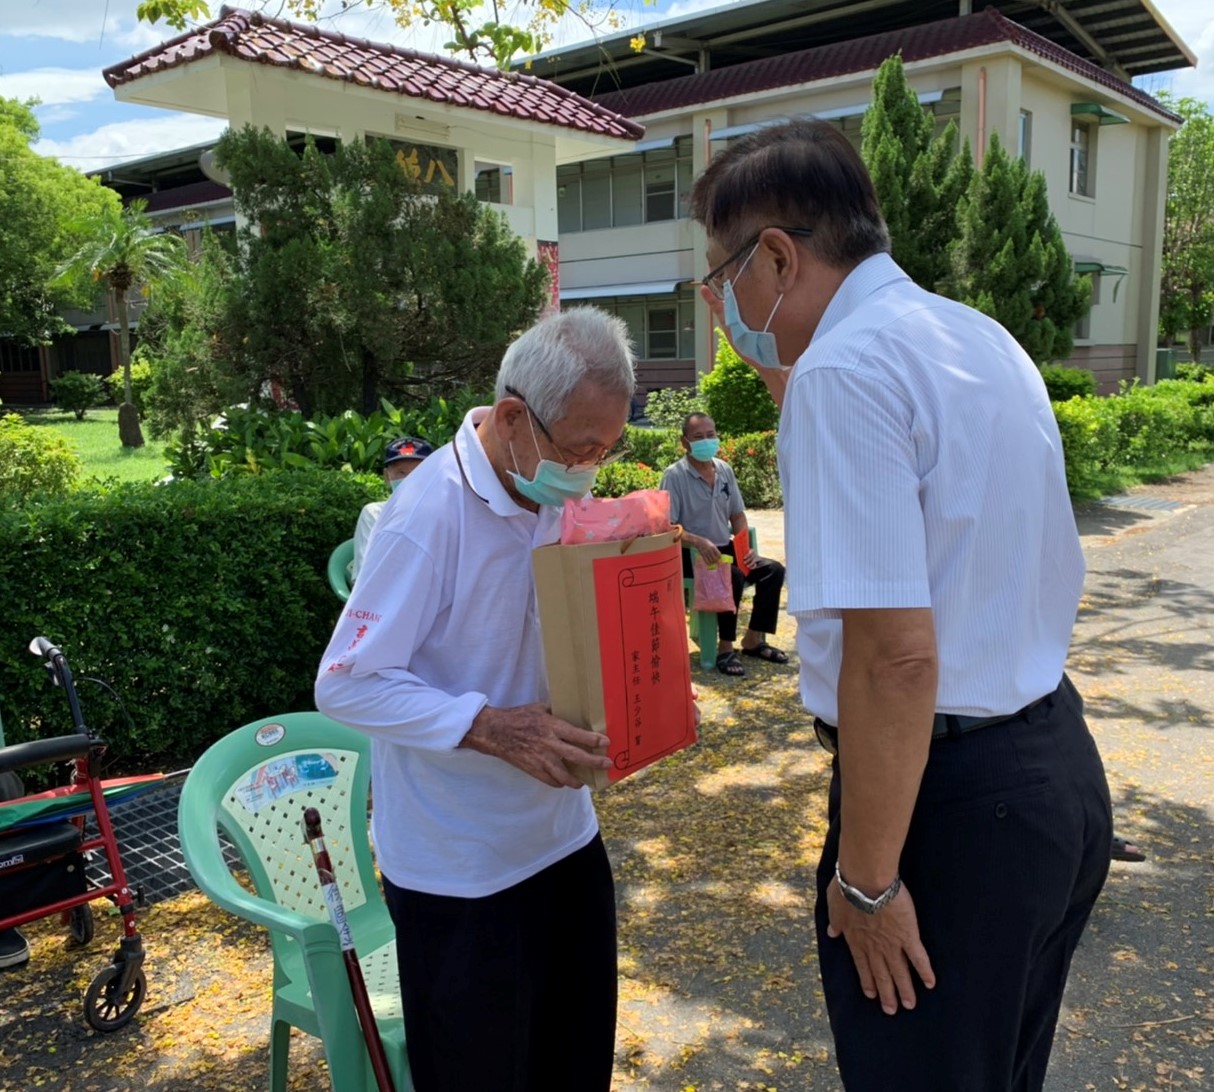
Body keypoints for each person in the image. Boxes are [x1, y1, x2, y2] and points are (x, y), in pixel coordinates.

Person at [689, 119, 1112, 1091]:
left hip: (949, 808)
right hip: (1048, 765)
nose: (720, 308)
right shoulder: (969, 337)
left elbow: (893, 660)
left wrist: (867, 883)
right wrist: (793, 381)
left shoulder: (844, 376)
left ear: (778, 258)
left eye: (719, 281)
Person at [314, 308, 636, 1092]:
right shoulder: (425, 516)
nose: (591, 468)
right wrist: (488, 726)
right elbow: (346, 681)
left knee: (574, 1061)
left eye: (609, 450)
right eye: (581, 448)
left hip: (562, 841)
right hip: (461, 871)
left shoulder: (551, 493)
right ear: (515, 417)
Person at [660, 412, 788, 676]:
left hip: (725, 550)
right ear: (685, 442)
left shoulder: (724, 470)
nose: (706, 441)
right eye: (698, 437)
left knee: (773, 571)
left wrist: (746, 547)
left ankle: (753, 639)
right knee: (733, 576)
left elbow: (737, 515)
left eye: (711, 435)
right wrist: (697, 540)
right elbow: (666, 527)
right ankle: (725, 647)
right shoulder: (674, 476)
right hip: (691, 555)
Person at [350, 436, 433, 582]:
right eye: (401, 473)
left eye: (418, 472)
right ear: (387, 477)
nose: (410, 479)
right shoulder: (374, 514)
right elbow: (365, 576)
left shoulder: (443, 515)